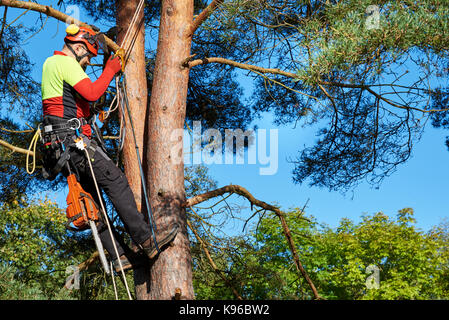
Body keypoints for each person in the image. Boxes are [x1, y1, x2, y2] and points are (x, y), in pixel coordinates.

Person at [40, 25, 178, 272]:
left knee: (94, 204)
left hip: (62, 148)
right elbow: (92, 92)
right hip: (73, 143)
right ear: (79, 47)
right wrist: (111, 69)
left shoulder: (51, 66)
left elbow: (78, 103)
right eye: (88, 57)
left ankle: (120, 257)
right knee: (116, 182)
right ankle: (147, 240)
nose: (86, 62)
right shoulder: (63, 62)